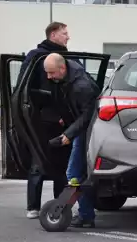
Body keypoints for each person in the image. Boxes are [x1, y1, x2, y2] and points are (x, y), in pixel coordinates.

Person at [43, 53, 101, 228]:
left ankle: (85, 216)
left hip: (87, 129)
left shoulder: (82, 86)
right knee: (80, 173)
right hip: (82, 128)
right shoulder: (67, 77)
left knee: (74, 174)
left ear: (62, 68)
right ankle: (86, 215)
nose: (49, 77)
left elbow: (87, 116)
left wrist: (69, 134)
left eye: (51, 72)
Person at [20, 22, 70, 219]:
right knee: (38, 161)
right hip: (41, 119)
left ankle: (60, 205)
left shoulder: (66, 58)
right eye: (64, 33)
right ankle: (33, 206)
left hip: (64, 120)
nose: (68, 37)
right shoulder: (36, 57)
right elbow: (26, 89)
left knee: (62, 164)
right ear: (53, 35)